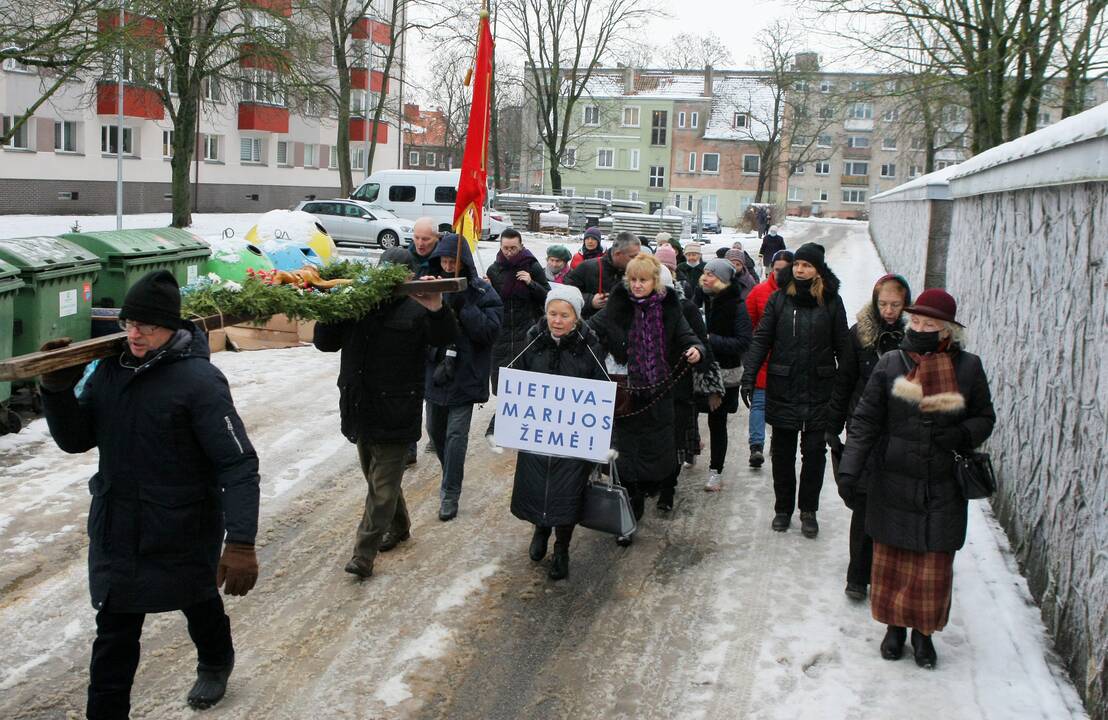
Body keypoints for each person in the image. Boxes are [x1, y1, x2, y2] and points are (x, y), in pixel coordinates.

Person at [38, 270, 260, 717]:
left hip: (180, 526)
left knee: (197, 601)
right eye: (128, 323)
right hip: (118, 526)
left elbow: (237, 462)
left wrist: (239, 542)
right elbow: (76, 439)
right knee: (114, 635)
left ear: (172, 328)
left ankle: (216, 661)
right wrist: (57, 390)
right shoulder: (110, 371)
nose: (134, 334)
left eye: (147, 327)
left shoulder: (199, 382)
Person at [837, 289, 995, 669]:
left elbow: (984, 417)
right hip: (891, 478)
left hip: (941, 484)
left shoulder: (968, 367)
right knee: (891, 560)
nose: (921, 328)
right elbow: (866, 420)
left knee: (932, 566)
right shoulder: (892, 362)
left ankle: (923, 635)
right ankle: (894, 630)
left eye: (930, 324)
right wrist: (850, 468)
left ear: (948, 330)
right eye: (918, 322)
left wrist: (961, 434)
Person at [314, 248, 459, 579]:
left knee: (381, 488)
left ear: (408, 277)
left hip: (396, 410)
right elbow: (325, 343)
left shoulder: (418, 307)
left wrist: (437, 308)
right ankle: (401, 525)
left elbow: (447, 337)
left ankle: (363, 554)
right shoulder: (357, 304)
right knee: (376, 478)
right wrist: (328, 309)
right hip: (359, 407)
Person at [588, 253, 704, 545]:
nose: (637, 285)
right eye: (633, 280)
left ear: (655, 282)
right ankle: (628, 511)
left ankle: (647, 490)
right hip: (624, 394)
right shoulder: (617, 305)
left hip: (657, 394)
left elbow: (688, 336)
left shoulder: (670, 309)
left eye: (643, 280)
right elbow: (590, 330)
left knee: (654, 454)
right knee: (624, 455)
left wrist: (695, 349)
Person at [740, 242, 850, 538]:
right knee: (783, 454)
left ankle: (808, 510)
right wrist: (749, 376)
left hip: (819, 390)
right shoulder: (779, 300)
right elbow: (761, 339)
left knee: (815, 454)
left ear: (818, 270)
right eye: (797, 264)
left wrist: (844, 389)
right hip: (783, 387)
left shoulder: (831, 301)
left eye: (807, 265)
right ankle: (783, 508)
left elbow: (844, 348)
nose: (800, 269)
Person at [509, 284, 607, 580]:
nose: (557, 320)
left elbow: (600, 390)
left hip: (572, 439)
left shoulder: (589, 346)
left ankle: (562, 547)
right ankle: (540, 528)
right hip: (538, 436)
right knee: (538, 486)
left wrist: (604, 437)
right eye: (553, 314)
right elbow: (518, 380)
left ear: (576, 317)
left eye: (564, 315)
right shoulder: (533, 340)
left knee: (567, 493)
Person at [834, 274, 912, 601]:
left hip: (900, 434)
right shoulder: (859, 336)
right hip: (863, 428)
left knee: (893, 504)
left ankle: (887, 572)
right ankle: (858, 574)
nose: (889, 310)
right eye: (884, 304)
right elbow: (845, 381)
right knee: (863, 502)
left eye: (896, 304)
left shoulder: (911, 340)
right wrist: (833, 423)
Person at [426, 233, 504, 521]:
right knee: (434, 430)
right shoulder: (432, 287)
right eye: (443, 260)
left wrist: (465, 307)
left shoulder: (484, 293)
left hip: (466, 373)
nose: (447, 266)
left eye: (452, 260)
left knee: (456, 435)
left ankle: (450, 493)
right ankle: (451, 471)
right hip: (437, 372)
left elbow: (489, 332)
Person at [658, 265, 719, 510]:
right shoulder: (633, 309)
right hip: (645, 388)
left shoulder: (686, 309)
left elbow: (702, 345)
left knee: (672, 442)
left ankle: (667, 490)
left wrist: (711, 383)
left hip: (678, 387)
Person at [485, 229, 549, 439]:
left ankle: (519, 420)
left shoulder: (532, 266)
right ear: (500, 247)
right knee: (502, 374)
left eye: (514, 248)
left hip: (527, 329)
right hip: (502, 330)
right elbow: (488, 302)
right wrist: (485, 287)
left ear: (521, 246)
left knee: (524, 376)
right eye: (506, 248)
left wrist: (532, 283)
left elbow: (548, 297)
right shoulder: (494, 269)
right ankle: (503, 414)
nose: (510, 252)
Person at [697, 258, 754, 491]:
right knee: (688, 414)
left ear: (722, 279)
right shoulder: (698, 298)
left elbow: (742, 342)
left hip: (723, 372)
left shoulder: (736, 305)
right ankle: (689, 451)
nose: (705, 277)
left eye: (711, 274)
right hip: (696, 369)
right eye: (705, 273)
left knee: (717, 422)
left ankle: (715, 471)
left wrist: (711, 340)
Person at [744, 249, 794, 468]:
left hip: (789, 361)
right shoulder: (759, 292)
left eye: (784, 269)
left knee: (784, 405)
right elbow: (748, 323)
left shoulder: (797, 294)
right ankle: (756, 446)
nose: (779, 273)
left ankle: (778, 440)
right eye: (776, 269)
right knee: (759, 403)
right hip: (764, 358)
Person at [564, 230, 641, 319]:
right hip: (592, 327)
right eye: (632, 257)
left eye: (638, 256)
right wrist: (590, 301)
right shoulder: (587, 267)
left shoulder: (637, 271)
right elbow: (566, 293)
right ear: (617, 254)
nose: (636, 260)